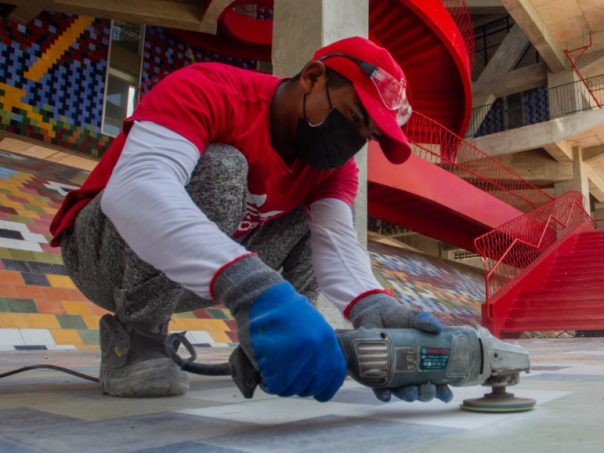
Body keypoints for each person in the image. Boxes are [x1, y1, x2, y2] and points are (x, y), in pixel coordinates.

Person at [50, 36, 453, 404]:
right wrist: (251, 287)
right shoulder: (211, 89)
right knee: (223, 167)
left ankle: (282, 339)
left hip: (190, 279)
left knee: (317, 220)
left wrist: (371, 304)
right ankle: (138, 337)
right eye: (353, 115)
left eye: (368, 135)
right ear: (313, 77)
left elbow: (335, 240)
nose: (352, 140)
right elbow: (136, 189)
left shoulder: (333, 171)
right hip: (102, 257)